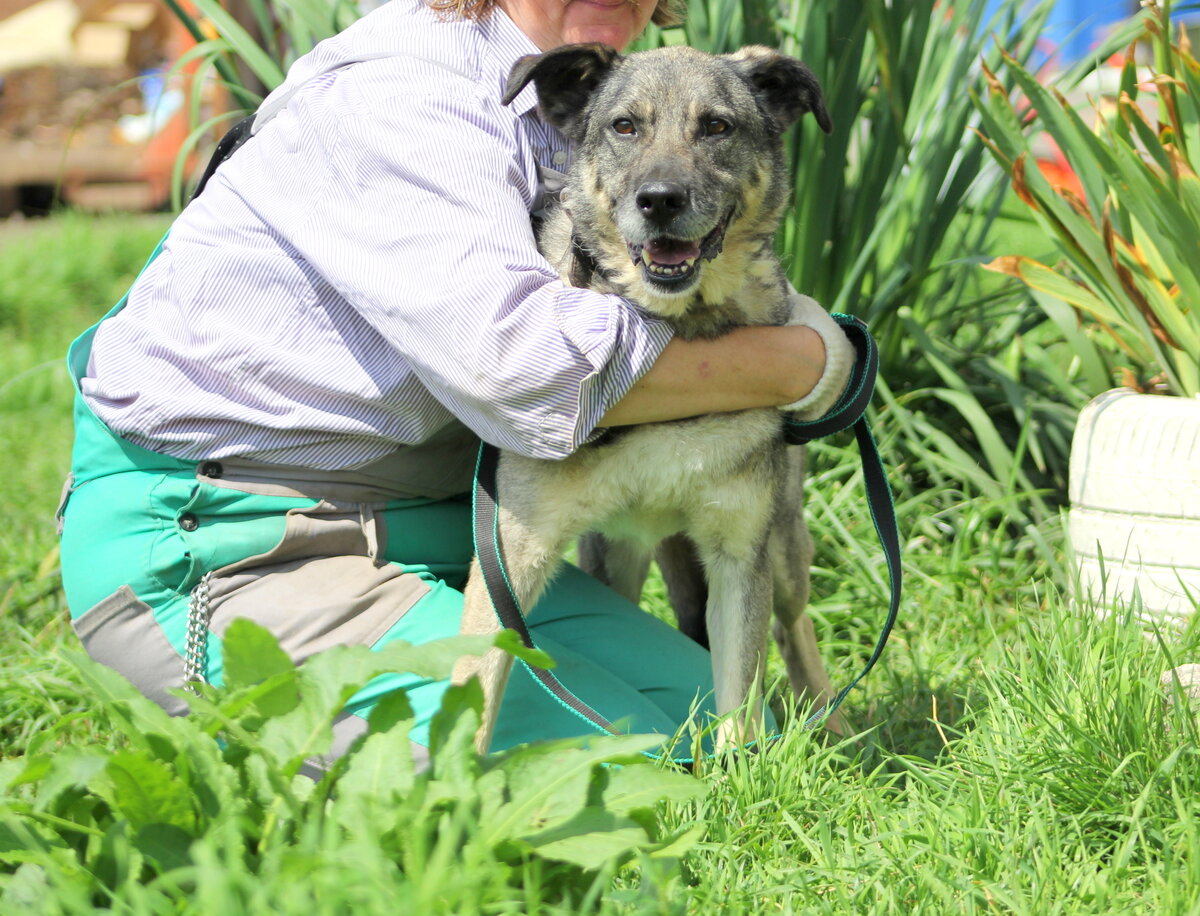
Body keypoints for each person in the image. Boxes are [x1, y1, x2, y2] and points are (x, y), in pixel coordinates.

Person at [57, 0, 853, 772]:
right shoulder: (414, 94)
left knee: (722, 728)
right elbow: (519, 369)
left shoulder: (566, 91)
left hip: (423, 525)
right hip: (230, 539)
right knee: (637, 765)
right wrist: (803, 361)